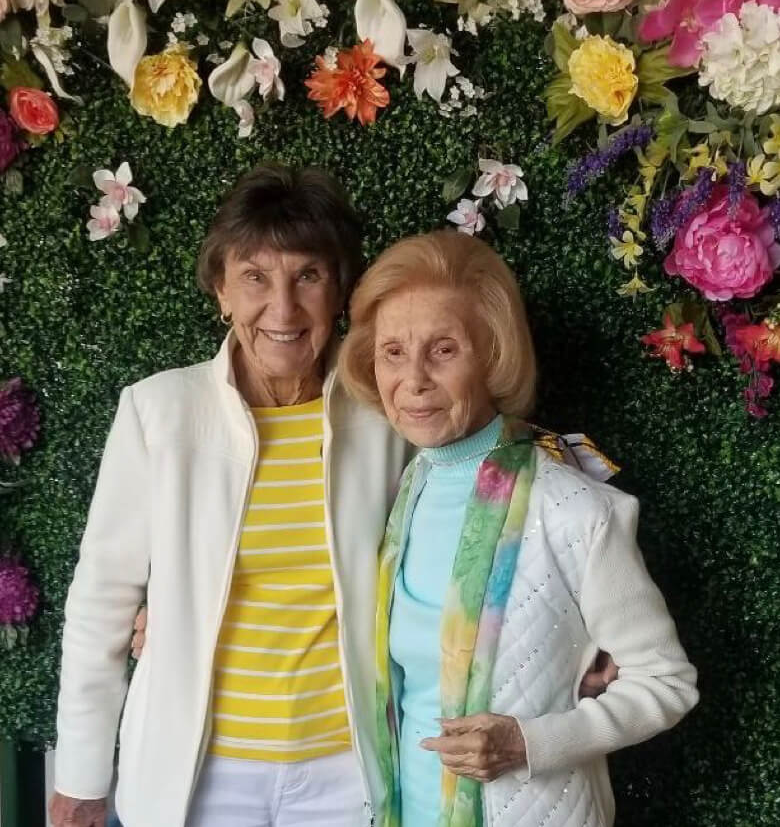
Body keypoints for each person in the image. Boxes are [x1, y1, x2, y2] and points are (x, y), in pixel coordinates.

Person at [50, 164, 408, 827]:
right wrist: (80, 771)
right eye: (255, 277)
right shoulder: (157, 412)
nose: (282, 308)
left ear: (340, 293)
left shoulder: (388, 415)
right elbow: (102, 599)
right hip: (197, 776)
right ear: (220, 290)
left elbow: (466, 538)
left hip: (348, 771)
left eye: (308, 275)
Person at [338, 230, 699, 827]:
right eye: (393, 351)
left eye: (444, 349)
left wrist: (529, 743)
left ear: (494, 353)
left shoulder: (575, 510)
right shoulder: (405, 492)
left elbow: (668, 684)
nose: (414, 379)